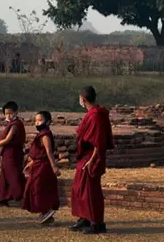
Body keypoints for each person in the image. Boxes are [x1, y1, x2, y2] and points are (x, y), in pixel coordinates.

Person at [69, 86, 114, 234]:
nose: (79, 100)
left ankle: (97, 223)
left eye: (80, 98)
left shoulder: (96, 115)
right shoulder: (92, 114)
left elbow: (99, 141)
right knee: (79, 188)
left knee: (91, 191)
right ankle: (84, 218)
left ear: (83, 99)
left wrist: (92, 160)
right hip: (86, 156)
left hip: (92, 157)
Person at [0, 101, 27, 207]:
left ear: (16, 112)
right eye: (6, 114)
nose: (8, 116)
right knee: (4, 176)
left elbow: (8, 139)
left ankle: (23, 195)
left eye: (10, 113)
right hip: (8, 153)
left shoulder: (16, 124)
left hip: (13, 153)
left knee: (13, 176)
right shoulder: (12, 124)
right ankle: (2, 198)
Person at [22, 111, 61, 224]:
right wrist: (31, 163)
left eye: (40, 120)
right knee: (35, 187)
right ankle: (46, 214)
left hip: (44, 166)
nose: (37, 123)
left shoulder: (45, 135)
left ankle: (47, 210)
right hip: (38, 164)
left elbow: (48, 152)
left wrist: (54, 167)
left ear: (48, 122)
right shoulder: (42, 134)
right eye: (36, 120)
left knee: (39, 188)